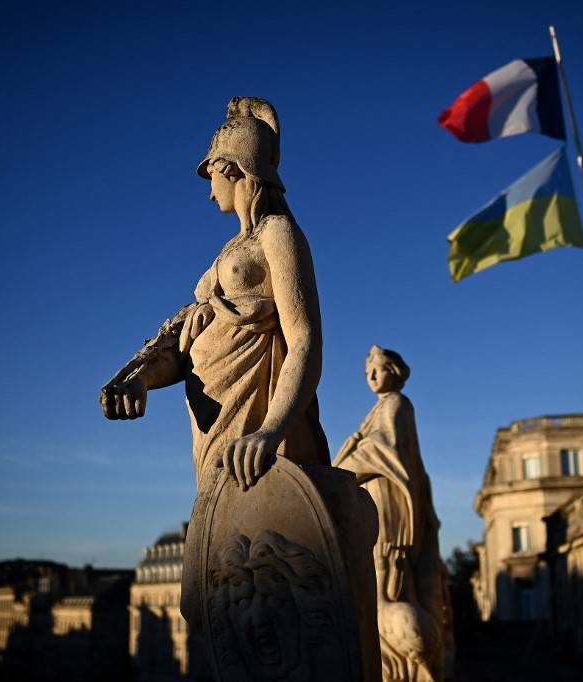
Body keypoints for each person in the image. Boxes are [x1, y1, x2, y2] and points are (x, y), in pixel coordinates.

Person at [100, 96, 330, 624]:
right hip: (214, 425)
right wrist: (140, 382)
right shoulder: (228, 250)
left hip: (255, 426)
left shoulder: (279, 234)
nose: (209, 193)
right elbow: (182, 350)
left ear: (237, 170)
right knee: (209, 600)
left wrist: (272, 429)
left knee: (263, 585)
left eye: (213, 178)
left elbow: (304, 339)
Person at [334, 346, 445, 682]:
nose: (371, 376)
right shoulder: (380, 408)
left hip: (389, 504)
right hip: (377, 499)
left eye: (378, 369)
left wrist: (340, 470)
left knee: (386, 575)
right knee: (378, 576)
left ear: (395, 372)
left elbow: (385, 450)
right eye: (367, 371)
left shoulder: (396, 404)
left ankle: (407, 659)